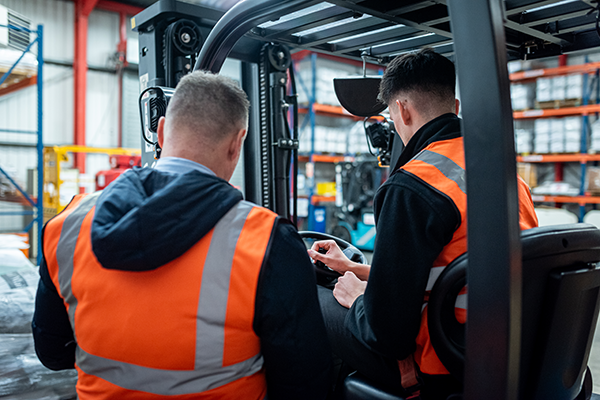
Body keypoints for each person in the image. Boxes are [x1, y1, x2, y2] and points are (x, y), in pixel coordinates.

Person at [32, 71, 331, 399]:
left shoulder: (66, 226)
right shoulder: (266, 242)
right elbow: (304, 385)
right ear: (237, 143)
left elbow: (53, 353)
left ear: (160, 133)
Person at [308, 48, 538, 399]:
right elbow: (449, 266)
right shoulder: (506, 176)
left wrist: (357, 299)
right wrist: (356, 269)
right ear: (456, 107)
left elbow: (387, 334)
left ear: (401, 109)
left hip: (442, 363)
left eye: (391, 116)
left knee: (315, 298)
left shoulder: (412, 186)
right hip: (501, 346)